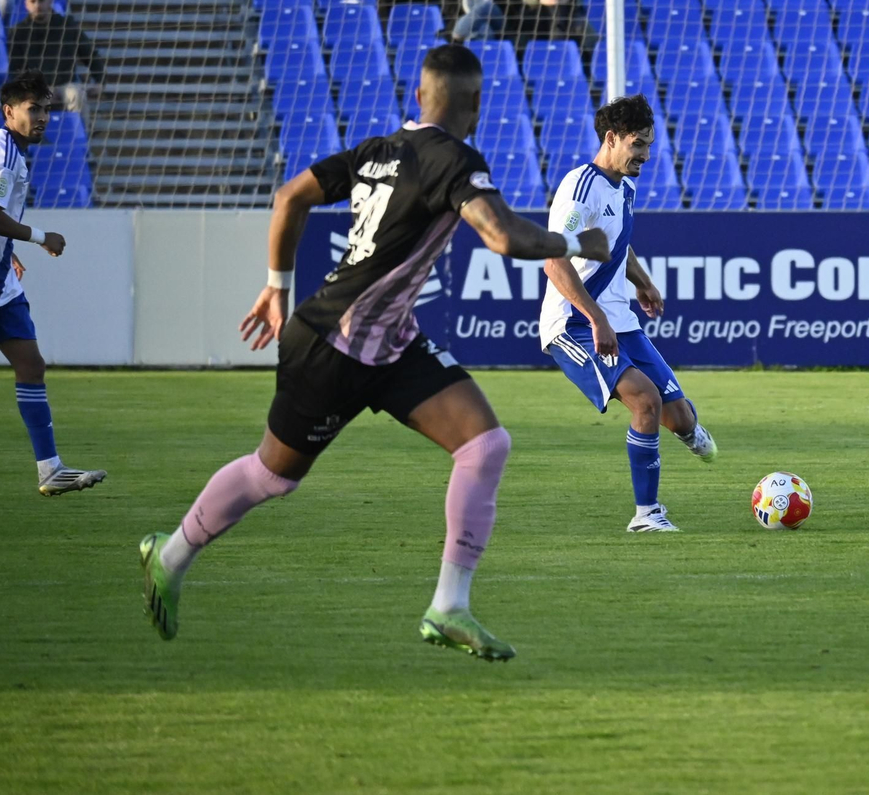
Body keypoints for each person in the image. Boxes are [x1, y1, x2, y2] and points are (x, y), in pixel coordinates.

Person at [137, 44, 612, 654]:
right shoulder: (454, 159)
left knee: (485, 444)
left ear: (418, 97)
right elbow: (500, 235)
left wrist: (276, 286)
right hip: (333, 346)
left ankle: (449, 607)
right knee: (272, 476)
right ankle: (170, 555)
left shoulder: (375, 150)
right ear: (475, 102)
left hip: (387, 343)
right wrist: (580, 241)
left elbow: (290, 197)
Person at [539, 95, 717, 533]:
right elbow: (553, 260)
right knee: (644, 399)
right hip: (574, 323)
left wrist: (642, 282)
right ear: (611, 138)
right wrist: (596, 318)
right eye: (638, 144)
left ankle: (690, 431)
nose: (645, 156)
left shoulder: (626, 187)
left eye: (650, 146)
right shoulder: (581, 187)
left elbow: (618, 243)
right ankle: (647, 515)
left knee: (679, 418)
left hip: (621, 320)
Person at [0, 71, 105, 497]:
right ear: (9, 111)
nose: (43, 117)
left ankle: (50, 470)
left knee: (31, 366)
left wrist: (6, 251)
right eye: (33, 109)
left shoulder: (6, 148)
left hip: (1, 284)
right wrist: (38, 238)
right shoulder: (3, 154)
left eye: (47, 108)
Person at [5, 0, 105, 111]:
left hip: (66, 85)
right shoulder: (18, 32)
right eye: (33, 1)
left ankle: (80, 130)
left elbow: (90, 55)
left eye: (41, 0)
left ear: (50, 0)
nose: (37, 5)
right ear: (26, 4)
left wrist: (100, 81)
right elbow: (15, 69)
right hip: (35, 87)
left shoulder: (67, 26)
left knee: (76, 94)